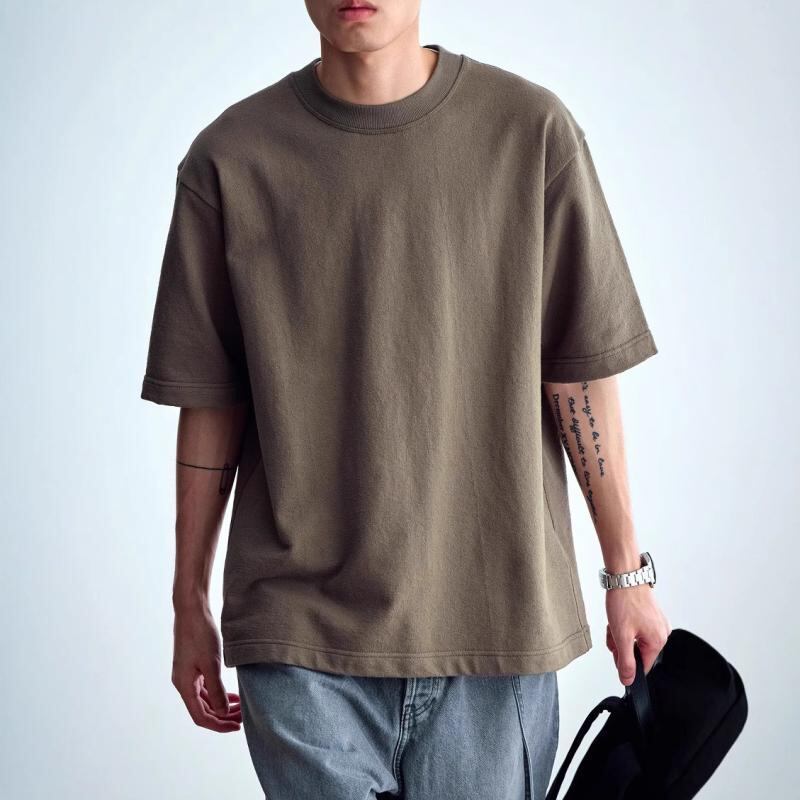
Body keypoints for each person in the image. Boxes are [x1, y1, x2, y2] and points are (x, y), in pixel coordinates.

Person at [139, 1, 671, 797]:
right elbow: (211, 400)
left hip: (495, 626)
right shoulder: (230, 160)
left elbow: (580, 374)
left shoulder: (531, 133)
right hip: (300, 635)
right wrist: (189, 602)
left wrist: (627, 578)